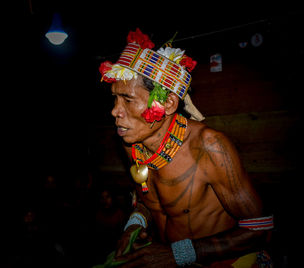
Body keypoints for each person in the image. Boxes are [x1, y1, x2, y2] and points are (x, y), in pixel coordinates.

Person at [98, 28, 274, 267]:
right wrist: (134, 226)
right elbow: (147, 200)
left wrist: (178, 255)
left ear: (167, 103)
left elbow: (259, 229)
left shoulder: (209, 147)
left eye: (128, 100)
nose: (115, 111)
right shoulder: (133, 144)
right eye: (115, 99)